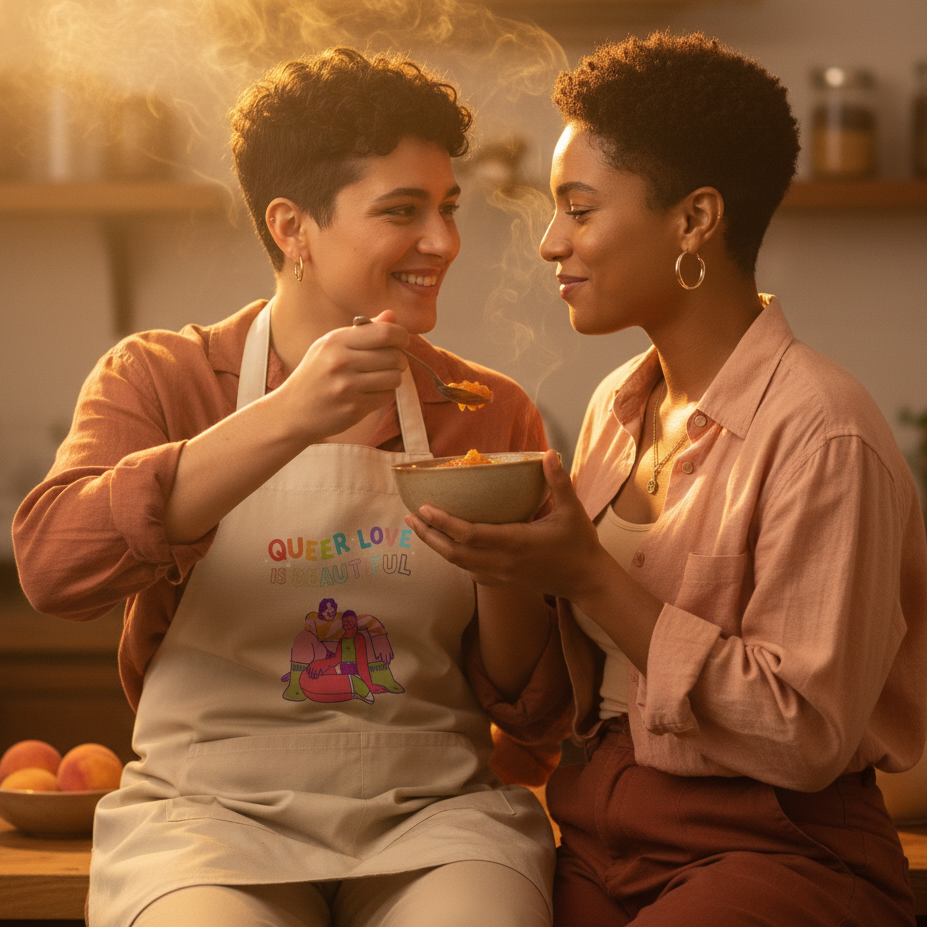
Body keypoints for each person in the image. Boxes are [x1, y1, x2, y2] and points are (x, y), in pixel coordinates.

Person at [13, 47, 570, 927]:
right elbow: (54, 568)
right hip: (204, 815)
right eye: (402, 210)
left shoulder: (485, 411)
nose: (443, 241)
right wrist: (286, 416)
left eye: (447, 208)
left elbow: (532, 707)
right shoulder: (161, 378)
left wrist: (501, 560)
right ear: (291, 225)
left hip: (432, 817)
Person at [405, 32, 927, 926]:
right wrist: (504, 568)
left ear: (694, 220)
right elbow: (552, 711)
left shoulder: (822, 432)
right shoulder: (619, 402)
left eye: (578, 208)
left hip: (775, 848)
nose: (548, 243)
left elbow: (804, 735)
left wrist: (587, 576)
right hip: (597, 834)